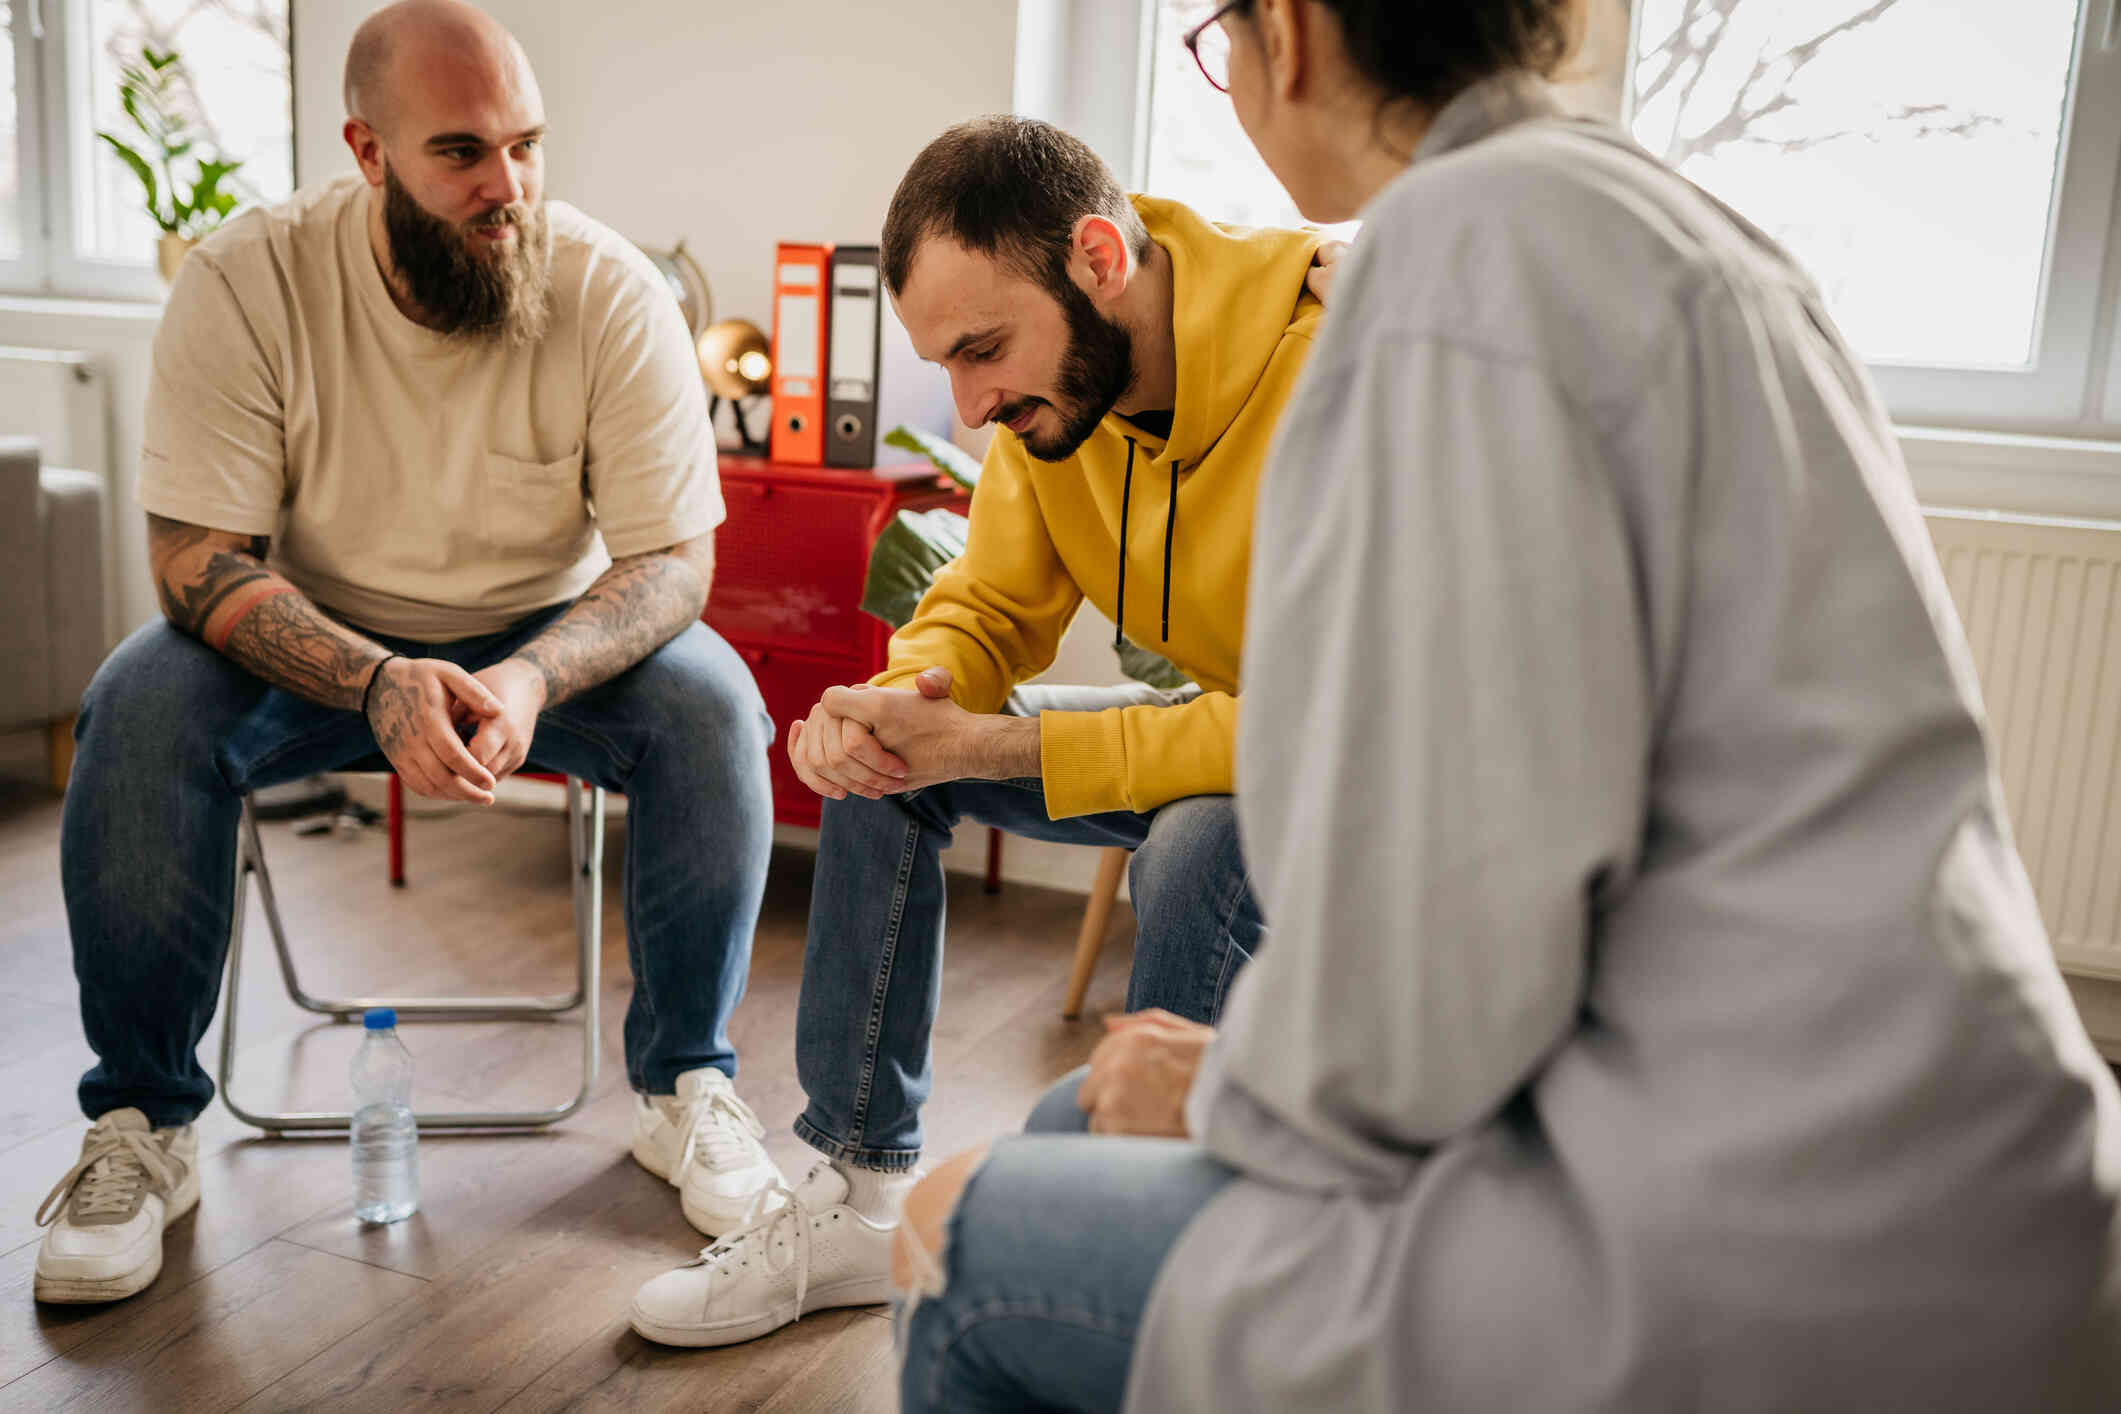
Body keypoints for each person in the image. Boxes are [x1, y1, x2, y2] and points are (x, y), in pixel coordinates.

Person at [883, 1, 2121, 1410]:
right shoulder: (1676, 229)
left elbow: (1455, 969)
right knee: (1068, 1118)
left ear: (1285, 33)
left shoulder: (1445, 271)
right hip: (1963, 1168)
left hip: (1772, 1241)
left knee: (967, 1245)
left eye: (1215, 30)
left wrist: (1228, 1088)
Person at [34, 0, 783, 1307]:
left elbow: (675, 563)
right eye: (462, 154)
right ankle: (144, 1127)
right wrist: (373, 678)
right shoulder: (243, 277)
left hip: (538, 643)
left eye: (528, 146)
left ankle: (686, 1088)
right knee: (138, 700)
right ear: (366, 153)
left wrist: (535, 674)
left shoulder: (609, 289)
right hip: (312, 638)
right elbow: (197, 556)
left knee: (715, 702)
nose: (510, 189)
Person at [628, 115, 1333, 1348]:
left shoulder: (1339, 364)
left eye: (985, 351)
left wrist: (1000, 748)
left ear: (1102, 259)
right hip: (1230, 736)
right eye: (944, 363)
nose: (968, 406)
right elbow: (992, 600)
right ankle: (856, 1189)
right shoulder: (1059, 403)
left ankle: (1152, 1254)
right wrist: (918, 699)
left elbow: (1316, 726)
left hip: (1373, 776)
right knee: (896, 767)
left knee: (1205, 842)